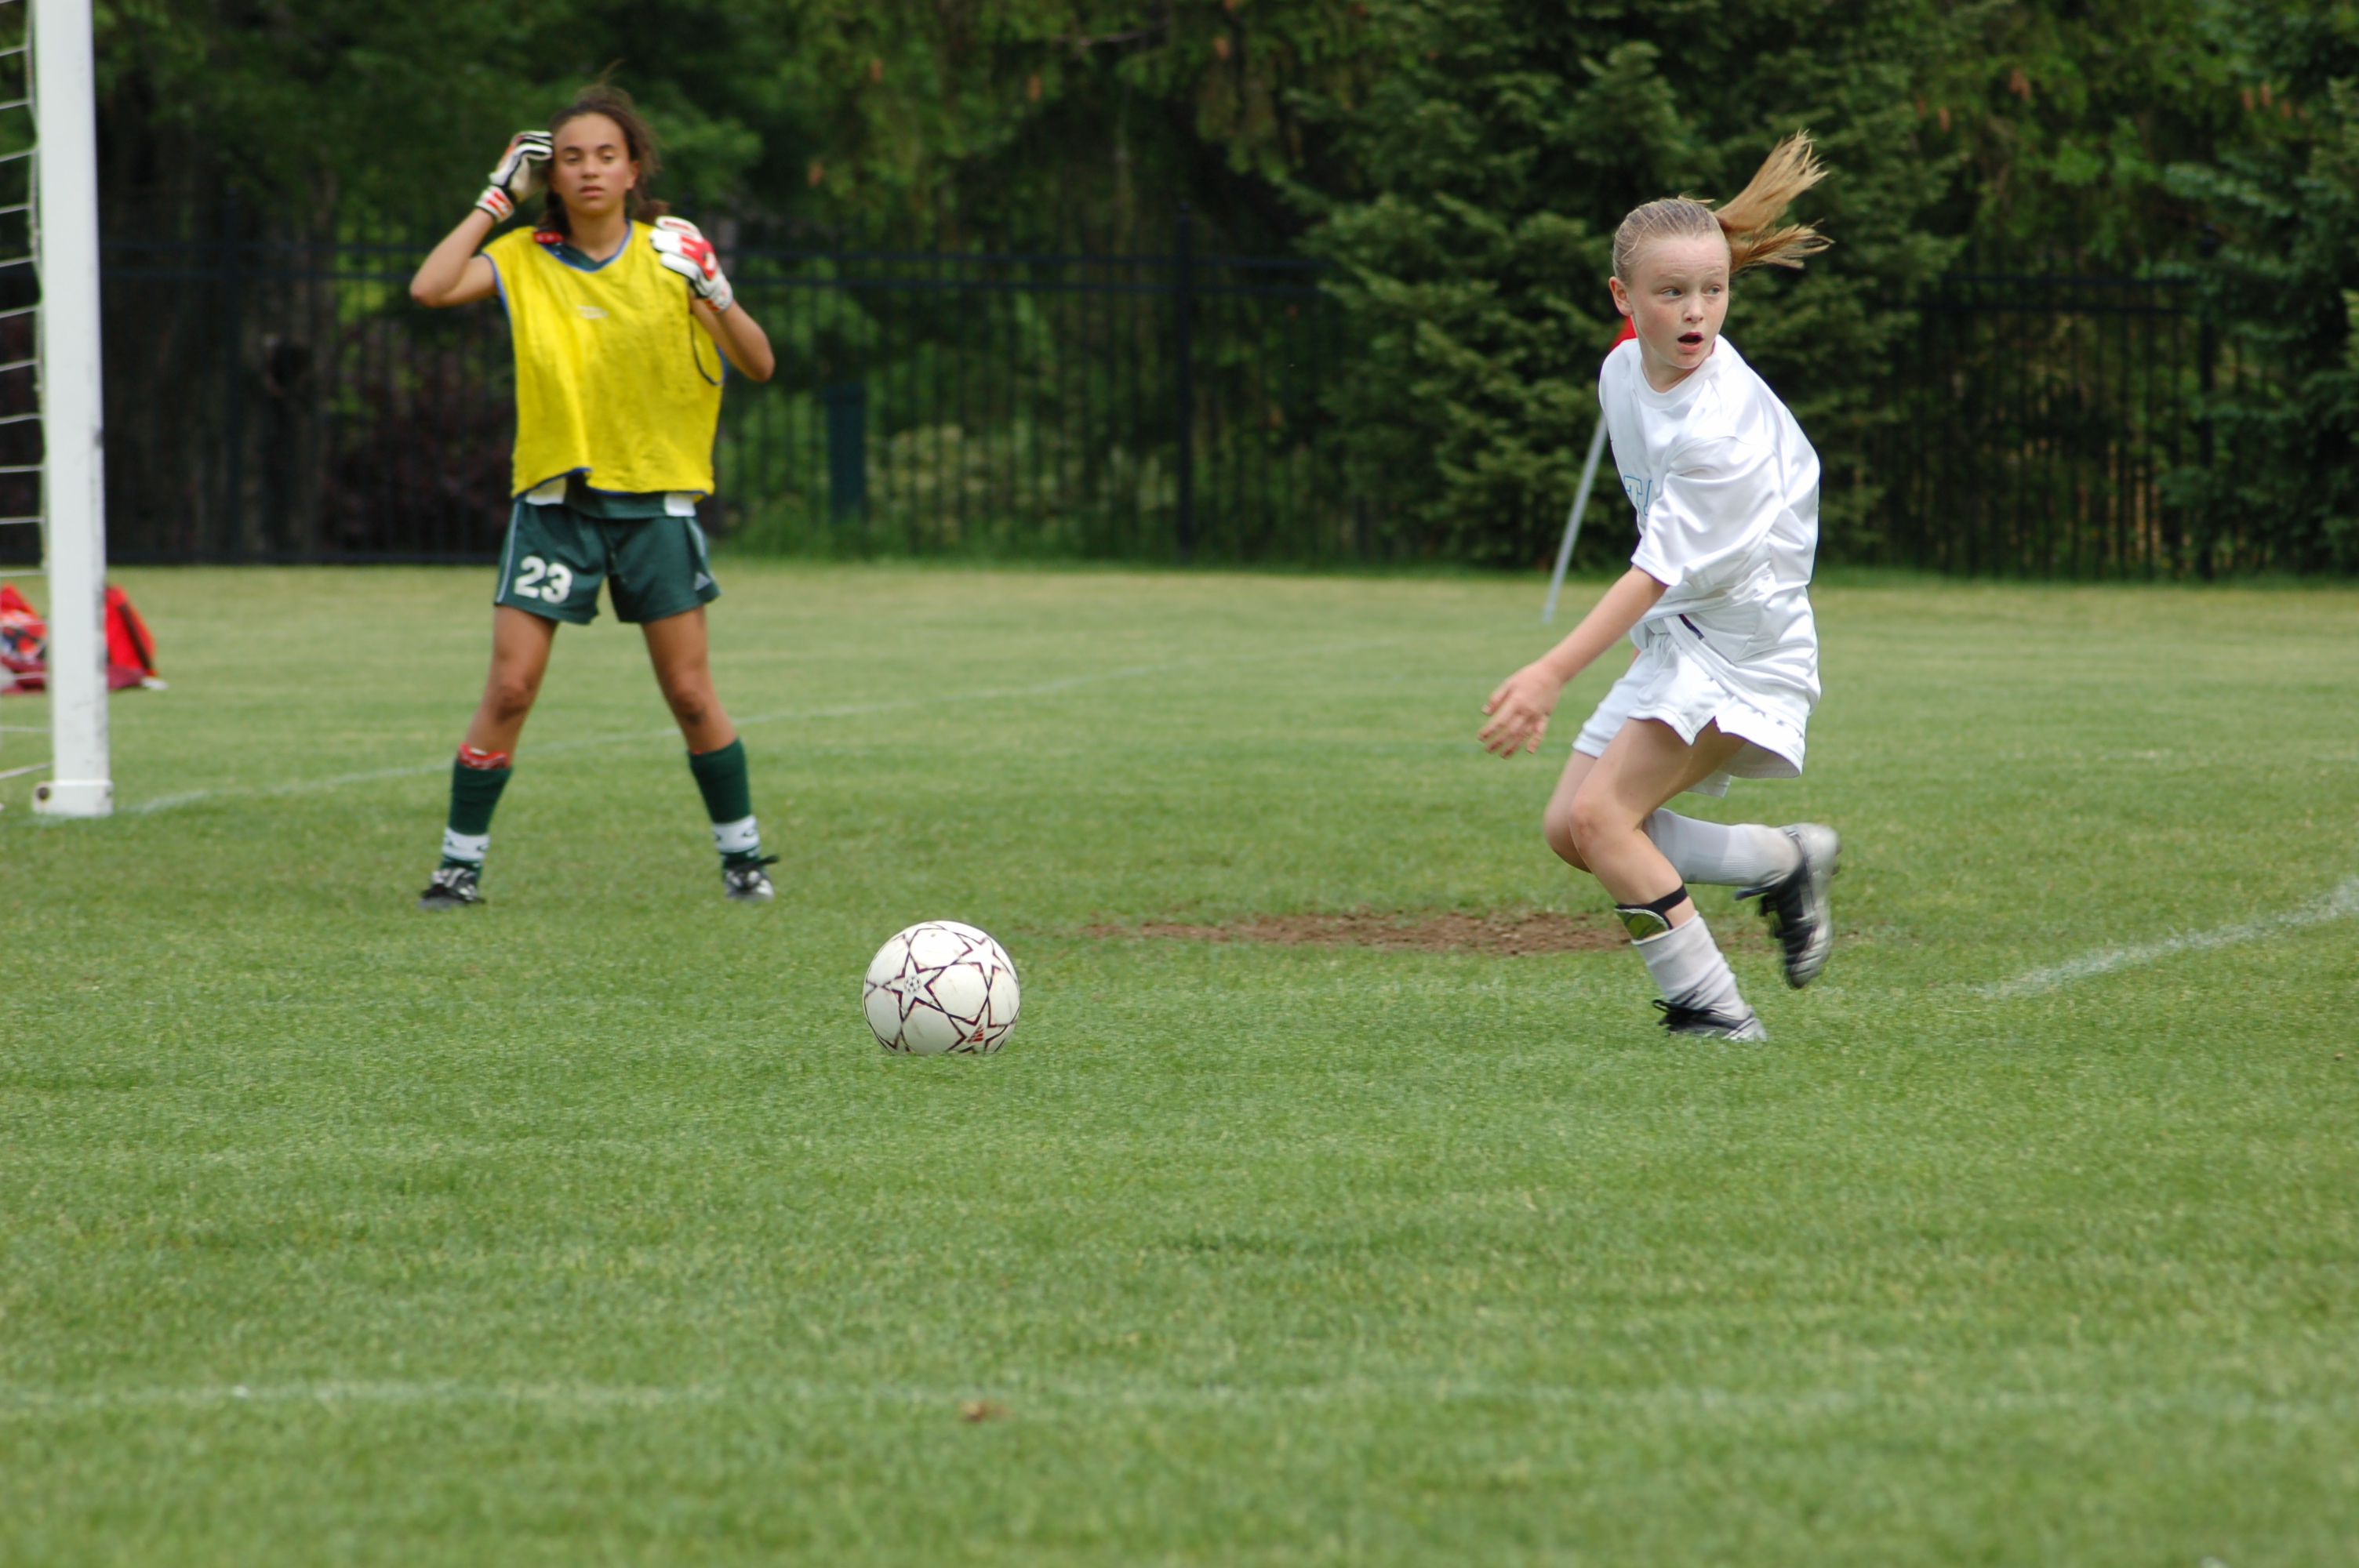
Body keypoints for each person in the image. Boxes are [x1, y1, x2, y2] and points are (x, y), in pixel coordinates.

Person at [1478, 134, 1842, 1040]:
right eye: (1671, 291)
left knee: (1604, 819)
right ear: (1622, 298)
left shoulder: (1720, 428)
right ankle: (1783, 860)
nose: (1695, 311)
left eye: (1712, 290)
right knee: (1570, 829)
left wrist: (1549, 672)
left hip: (1746, 651)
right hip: (1685, 635)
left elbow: (1652, 571)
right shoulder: (1620, 371)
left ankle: (1713, 1011)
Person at [406, 85, 779, 909]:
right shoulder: (522, 255)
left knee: (690, 695)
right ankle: (457, 868)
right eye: (571, 158)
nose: (589, 170)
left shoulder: (673, 255)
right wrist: (494, 198)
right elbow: (429, 287)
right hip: (554, 507)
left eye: (607, 155)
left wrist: (716, 287)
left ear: (634, 169)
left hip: (656, 507)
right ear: (552, 176)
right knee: (511, 689)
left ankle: (743, 859)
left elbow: (759, 363)